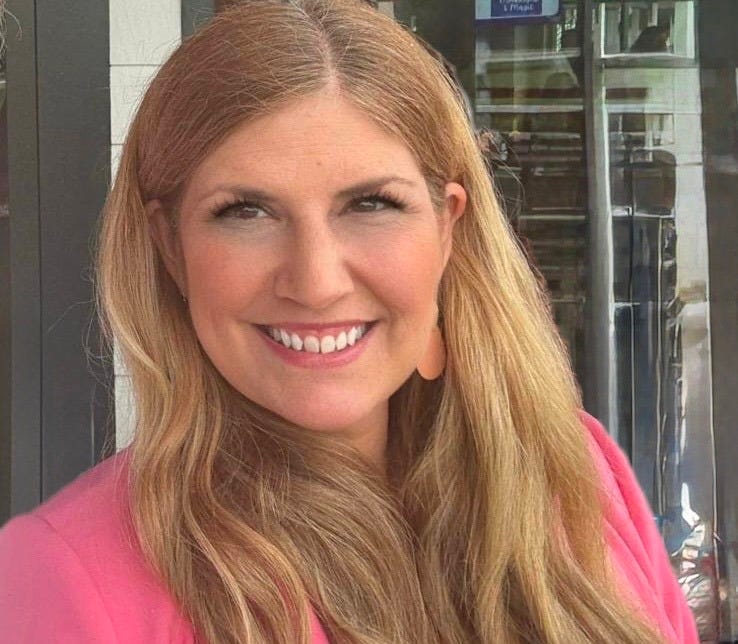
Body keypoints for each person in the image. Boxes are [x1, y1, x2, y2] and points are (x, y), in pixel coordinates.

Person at [0, 1, 698, 642]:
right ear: (171, 248)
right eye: (246, 211)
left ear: (447, 227)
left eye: (371, 204)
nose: (316, 284)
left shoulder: (579, 470)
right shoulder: (61, 574)